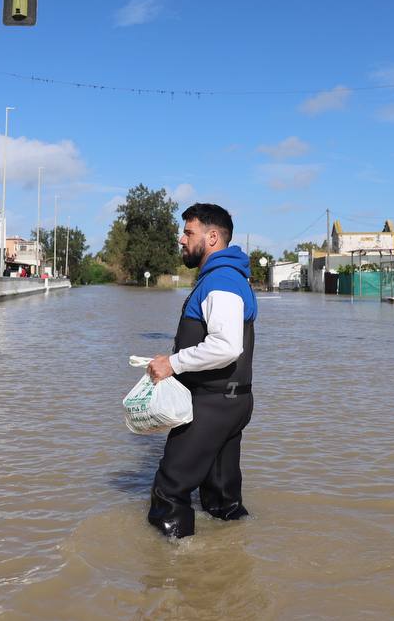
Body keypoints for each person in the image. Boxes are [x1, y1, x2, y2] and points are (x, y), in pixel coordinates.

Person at [146, 203, 257, 539]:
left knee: (170, 491)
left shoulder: (222, 279)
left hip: (211, 404)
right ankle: (230, 558)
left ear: (211, 237)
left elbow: (226, 347)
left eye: (188, 232)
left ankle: (172, 566)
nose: (181, 239)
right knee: (222, 498)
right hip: (231, 401)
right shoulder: (228, 276)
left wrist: (172, 363)